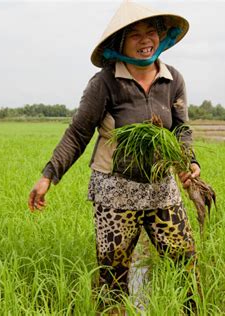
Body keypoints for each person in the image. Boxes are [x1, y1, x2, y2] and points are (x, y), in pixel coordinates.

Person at [28, 0, 201, 307]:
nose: (145, 40)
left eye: (151, 32)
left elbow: (182, 129)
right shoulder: (105, 82)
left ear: (161, 37)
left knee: (185, 266)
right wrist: (48, 176)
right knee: (113, 277)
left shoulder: (173, 78)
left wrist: (189, 161)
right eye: (135, 34)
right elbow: (78, 133)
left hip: (163, 190)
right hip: (115, 192)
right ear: (120, 42)